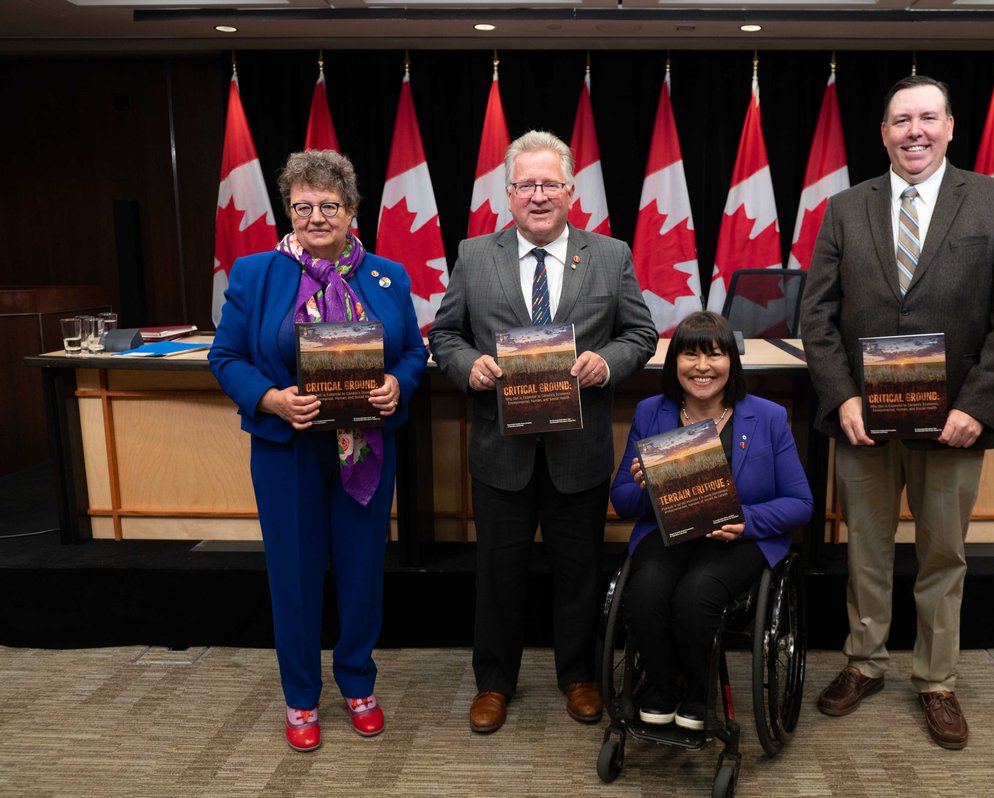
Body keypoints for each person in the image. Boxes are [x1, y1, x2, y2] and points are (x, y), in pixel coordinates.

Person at [800, 75, 994, 750]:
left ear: (950, 126)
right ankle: (864, 662)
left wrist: (977, 406)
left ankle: (936, 681)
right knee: (866, 549)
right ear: (883, 133)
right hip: (863, 421)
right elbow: (816, 315)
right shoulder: (844, 208)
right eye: (901, 120)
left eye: (928, 118)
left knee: (943, 554)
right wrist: (841, 395)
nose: (915, 132)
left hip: (953, 422)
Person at [428, 130, 657, 734]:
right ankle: (494, 682)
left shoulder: (610, 254)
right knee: (497, 574)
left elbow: (641, 334)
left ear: (570, 191)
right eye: (526, 184)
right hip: (499, 449)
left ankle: (579, 676)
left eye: (549, 184)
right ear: (508, 193)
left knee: (578, 570)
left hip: (577, 450)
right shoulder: (474, 254)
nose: (538, 195)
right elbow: (444, 335)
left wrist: (607, 362)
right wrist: (468, 366)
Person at [209, 150, 427, 752]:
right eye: (302, 206)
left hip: (365, 449)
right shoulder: (255, 274)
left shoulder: (387, 276)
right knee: (295, 576)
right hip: (288, 452)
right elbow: (225, 357)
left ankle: (358, 682)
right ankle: (301, 695)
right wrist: (271, 399)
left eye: (329, 205)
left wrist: (398, 383)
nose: (315, 217)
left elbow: (413, 352)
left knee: (362, 571)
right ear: (289, 211)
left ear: (352, 210)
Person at [610, 311, 813, 729]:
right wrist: (648, 487)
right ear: (675, 363)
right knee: (644, 594)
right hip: (669, 533)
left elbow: (800, 503)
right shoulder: (651, 413)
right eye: (690, 355)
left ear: (731, 362)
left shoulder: (767, 417)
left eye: (715, 355)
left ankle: (699, 692)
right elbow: (622, 500)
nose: (702, 366)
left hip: (737, 539)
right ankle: (663, 684)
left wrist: (747, 520)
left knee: (694, 596)